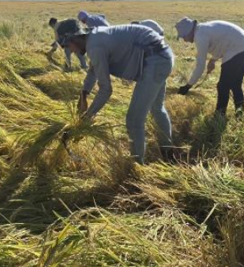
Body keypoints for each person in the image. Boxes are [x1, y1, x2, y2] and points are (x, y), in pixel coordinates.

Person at [57, 21, 175, 164]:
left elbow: (106, 90)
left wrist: (88, 116)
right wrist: (84, 93)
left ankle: (137, 166)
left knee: (133, 120)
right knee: (157, 108)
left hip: (155, 61)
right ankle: (168, 154)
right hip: (162, 56)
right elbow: (94, 69)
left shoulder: (95, 46)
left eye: (68, 46)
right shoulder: (95, 37)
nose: (72, 51)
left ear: (74, 38)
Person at [174, 18, 244, 116]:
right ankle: (239, 115)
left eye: (184, 36)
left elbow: (200, 66)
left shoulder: (200, 36)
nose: (185, 40)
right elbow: (221, 42)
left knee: (222, 86)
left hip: (237, 49)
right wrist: (213, 60)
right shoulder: (203, 28)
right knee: (235, 84)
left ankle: (219, 114)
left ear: (189, 31)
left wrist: (188, 86)